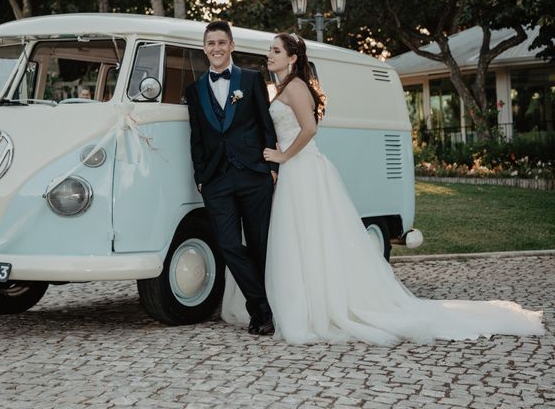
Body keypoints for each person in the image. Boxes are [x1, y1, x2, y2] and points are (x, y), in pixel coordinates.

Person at [223, 32, 545, 345]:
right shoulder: (279, 88)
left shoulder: (295, 87)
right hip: (294, 172)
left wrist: (282, 155)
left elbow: (309, 129)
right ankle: (303, 303)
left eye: (276, 51)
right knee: (300, 240)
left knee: (310, 237)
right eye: (270, 50)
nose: (270, 55)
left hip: (303, 168)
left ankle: (319, 308)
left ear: (292, 58)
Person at [185, 21, 279, 336]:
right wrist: (201, 176)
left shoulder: (252, 80)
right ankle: (261, 307)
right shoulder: (194, 90)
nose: (216, 48)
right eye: (210, 43)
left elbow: (267, 124)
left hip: (254, 174)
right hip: (216, 180)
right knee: (227, 245)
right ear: (204, 48)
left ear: (231, 45)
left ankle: (265, 312)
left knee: (260, 244)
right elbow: (196, 137)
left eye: (221, 42)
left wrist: (271, 165)